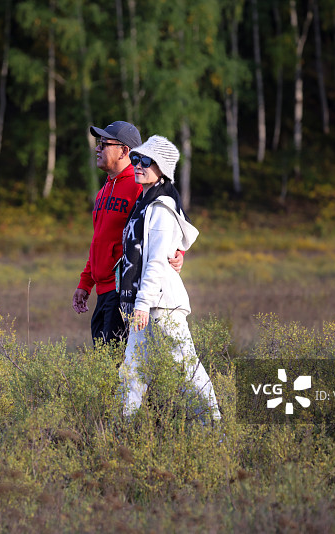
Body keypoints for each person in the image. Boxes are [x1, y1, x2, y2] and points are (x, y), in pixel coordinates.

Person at [118, 135, 221, 422]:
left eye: (146, 161)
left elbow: (155, 264)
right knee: (132, 371)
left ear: (161, 168)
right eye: (136, 159)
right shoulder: (144, 203)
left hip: (161, 307)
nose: (138, 165)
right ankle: (120, 432)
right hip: (147, 305)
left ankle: (215, 429)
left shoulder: (160, 208)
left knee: (187, 368)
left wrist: (140, 304)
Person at [73, 121, 184, 345]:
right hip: (102, 293)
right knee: (105, 367)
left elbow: (170, 218)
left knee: (116, 368)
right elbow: (100, 241)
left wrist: (178, 251)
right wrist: (85, 283)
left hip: (121, 291)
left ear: (125, 151)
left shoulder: (139, 186)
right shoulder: (104, 190)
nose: (97, 148)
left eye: (103, 144)